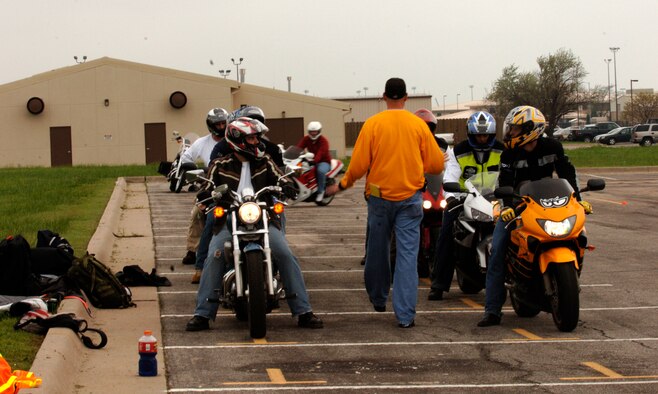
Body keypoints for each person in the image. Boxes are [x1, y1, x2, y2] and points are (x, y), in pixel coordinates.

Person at [325, 77, 444, 328]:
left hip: (379, 199)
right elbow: (435, 164)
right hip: (410, 199)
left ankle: (378, 297)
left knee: (377, 251)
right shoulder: (418, 126)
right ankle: (405, 316)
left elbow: (357, 165)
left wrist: (342, 185)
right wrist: (415, 165)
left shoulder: (372, 125)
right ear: (406, 98)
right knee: (407, 258)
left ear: (384, 96)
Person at [185, 117, 323, 331]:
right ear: (238, 139)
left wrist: (287, 186)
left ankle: (303, 311)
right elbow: (207, 186)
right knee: (215, 254)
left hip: (263, 217)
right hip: (230, 217)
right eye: (251, 138)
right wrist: (206, 197)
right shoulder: (220, 164)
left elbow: (281, 177)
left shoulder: (265, 161)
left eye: (256, 137)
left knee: (285, 253)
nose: (256, 142)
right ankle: (202, 314)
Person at [477, 105, 593, 327]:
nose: (510, 134)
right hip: (519, 206)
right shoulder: (509, 153)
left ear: (531, 129)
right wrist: (507, 206)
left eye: (515, 130)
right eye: (511, 130)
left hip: (549, 205)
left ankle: (567, 284)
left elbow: (568, 174)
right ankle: (492, 311)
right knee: (497, 248)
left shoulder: (553, 146)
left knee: (580, 235)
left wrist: (578, 201)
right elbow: (505, 183)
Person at [428, 111, 504, 300]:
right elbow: (450, 176)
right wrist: (452, 196)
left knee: (515, 230)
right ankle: (439, 284)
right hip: (465, 198)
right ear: (470, 134)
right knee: (446, 232)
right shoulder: (458, 151)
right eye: (478, 134)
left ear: (492, 134)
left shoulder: (502, 150)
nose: (482, 138)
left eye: (485, 134)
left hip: (496, 199)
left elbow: (508, 174)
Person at [181, 108, 230, 281]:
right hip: (211, 188)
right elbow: (185, 160)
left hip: (236, 191)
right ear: (211, 125)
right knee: (205, 218)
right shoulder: (202, 143)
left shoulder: (237, 141)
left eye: (224, 123)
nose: (222, 126)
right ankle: (197, 260)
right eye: (218, 124)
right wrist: (199, 172)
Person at [296, 121, 332, 202]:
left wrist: (315, 161)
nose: (313, 133)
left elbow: (321, 153)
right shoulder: (306, 139)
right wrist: (294, 154)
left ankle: (321, 192)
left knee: (320, 171)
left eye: (315, 131)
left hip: (324, 161)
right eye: (311, 132)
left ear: (319, 131)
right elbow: (299, 147)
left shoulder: (323, 141)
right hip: (311, 160)